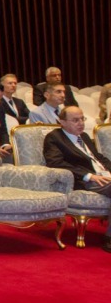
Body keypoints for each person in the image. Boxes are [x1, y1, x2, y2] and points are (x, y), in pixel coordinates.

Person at [44, 106, 111, 253]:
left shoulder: (84, 137)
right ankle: (109, 239)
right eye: (75, 120)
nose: (81, 123)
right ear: (62, 121)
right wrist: (88, 175)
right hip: (84, 179)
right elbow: (55, 163)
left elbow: (98, 158)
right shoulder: (54, 138)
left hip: (103, 175)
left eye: (82, 119)